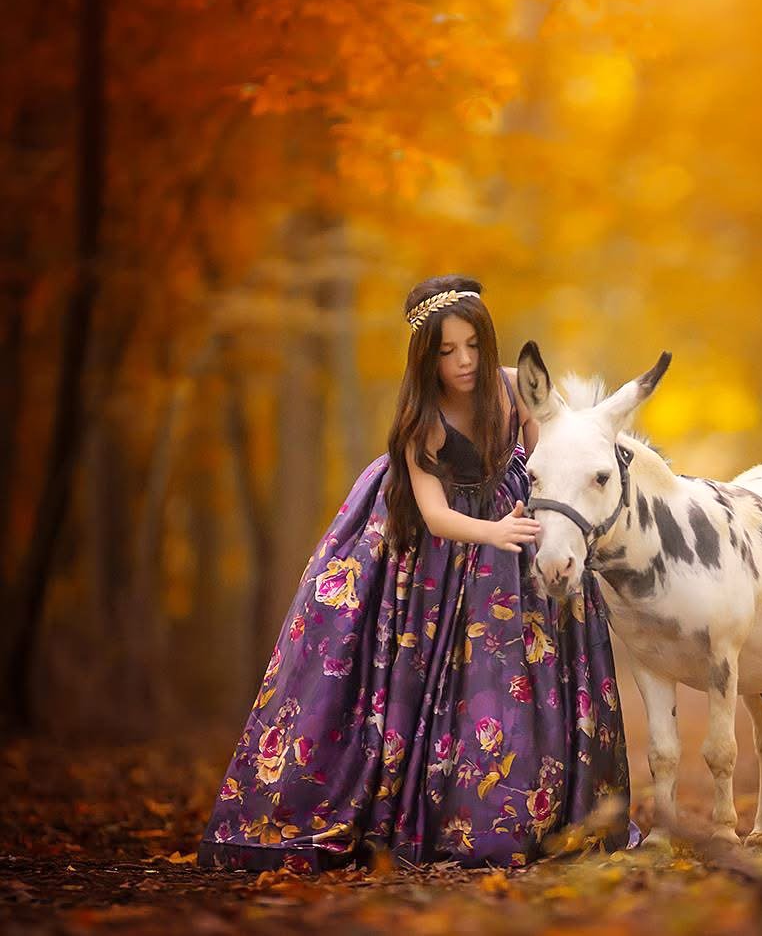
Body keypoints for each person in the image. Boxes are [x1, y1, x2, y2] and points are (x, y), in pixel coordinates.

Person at [197, 276, 632, 872]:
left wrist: (541, 523)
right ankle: (430, 811)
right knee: (433, 675)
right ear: (426, 357)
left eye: (473, 346)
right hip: (435, 552)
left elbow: (544, 463)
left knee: (522, 671)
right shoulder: (422, 421)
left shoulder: (513, 391)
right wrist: (497, 534)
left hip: (512, 525)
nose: (463, 362)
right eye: (447, 351)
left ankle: (538, 809)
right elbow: (434, 515)